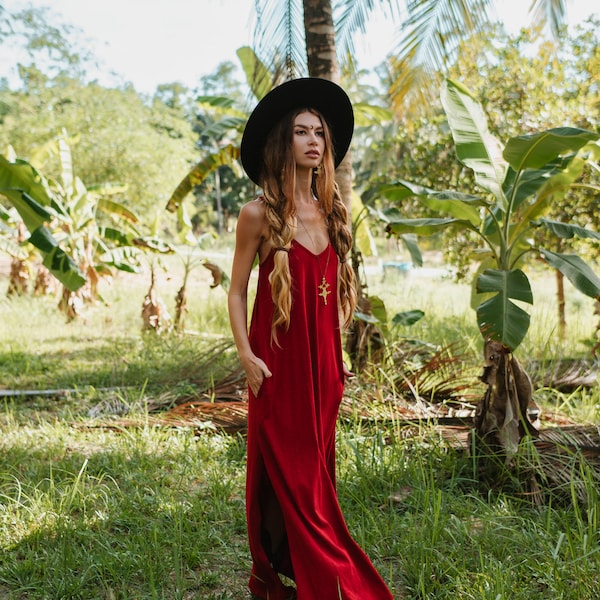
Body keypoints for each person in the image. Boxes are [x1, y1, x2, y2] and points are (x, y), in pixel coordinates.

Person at [228, 78, 394, 600]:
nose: (313, 141)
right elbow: (236, 292)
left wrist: (340, 355)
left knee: (316, 479)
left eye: (319, 132)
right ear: (284, 142)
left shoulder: (333, 213)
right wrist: (247, 356)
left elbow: (336, 299)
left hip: (324, 370)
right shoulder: (258, 215)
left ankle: (291, 574)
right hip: (277, 370)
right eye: (301, 132)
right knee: (290, 479)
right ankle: (330, 581)